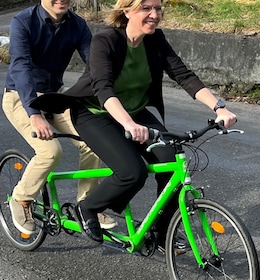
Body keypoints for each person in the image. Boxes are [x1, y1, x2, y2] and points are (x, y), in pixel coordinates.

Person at [33, 0, 237, 244]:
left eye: (158, 8)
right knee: (132, 171)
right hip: (95, 113)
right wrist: (128, 124)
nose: (154, 15)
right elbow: (103, 88)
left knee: (171, 162)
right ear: (127, 11)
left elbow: (183, 76)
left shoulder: (155, 40)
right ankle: (88, 207)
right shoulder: (105, 41)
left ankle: (161, 233)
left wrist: (219, 107)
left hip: (135, 112)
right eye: (146, 8)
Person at [2, 0, 116, 235]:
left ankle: (87, 205)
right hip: (20, 97)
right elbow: (21, 67)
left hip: (55, 97)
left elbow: (94, 64)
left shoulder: (77, 25)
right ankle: (21, 197)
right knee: (50, 152)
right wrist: (33, 113)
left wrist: (114, 99)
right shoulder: (23, 22)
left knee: (94, 143)